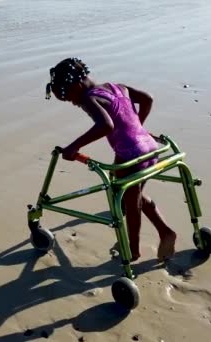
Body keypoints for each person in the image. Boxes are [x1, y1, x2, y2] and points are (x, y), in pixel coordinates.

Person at [45, 57, 176, 261]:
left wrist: (74, 146)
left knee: (132, 204)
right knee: (133, 194)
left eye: (69, 97)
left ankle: (133, 250)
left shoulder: (89, 98)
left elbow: (105, 126)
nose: (72, 102)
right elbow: (148, 99)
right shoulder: (116, 87)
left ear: (77, 85)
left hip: (131, 155)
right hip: (150, 148)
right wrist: (137, 127)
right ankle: (164, 231)